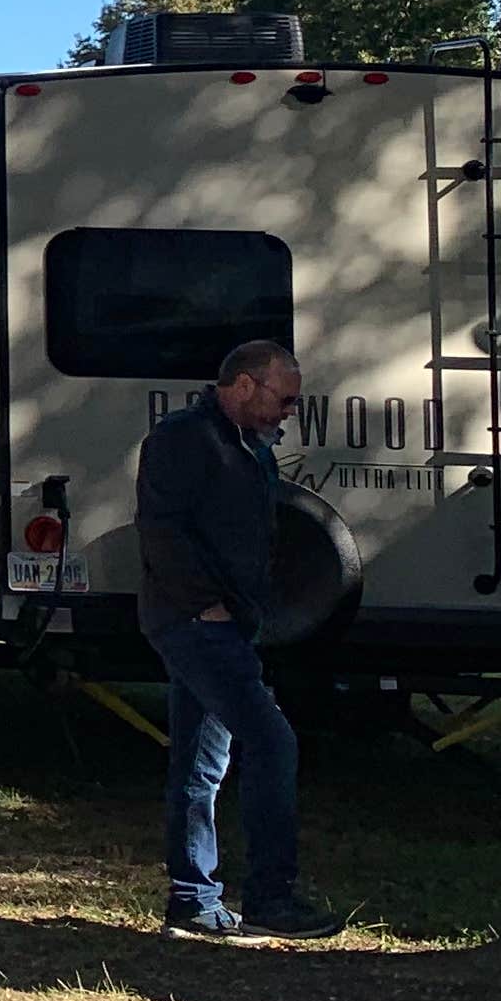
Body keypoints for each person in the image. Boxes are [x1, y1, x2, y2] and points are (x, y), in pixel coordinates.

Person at [133, 339, 342, 941]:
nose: (288, 413)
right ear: (244, 385)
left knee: (200, 762)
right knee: (273, 743)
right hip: (194, 623)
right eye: (284, 399)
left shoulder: (253, 448)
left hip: (226, 623)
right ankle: (271, 899)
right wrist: (208, 606)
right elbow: (162, 532)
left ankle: (193, 901)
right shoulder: (182, 440)